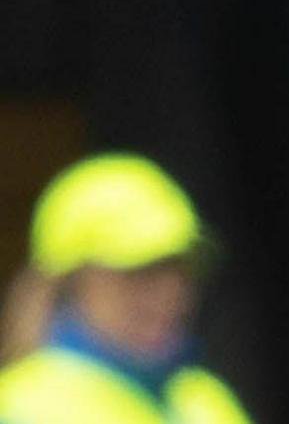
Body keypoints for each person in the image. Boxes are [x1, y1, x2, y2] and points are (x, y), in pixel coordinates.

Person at [0, 152, 251, 424]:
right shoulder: (22, 409)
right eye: (139, 272)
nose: (170, 295)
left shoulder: (203, 397)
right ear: (70, 282)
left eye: (180, 269)